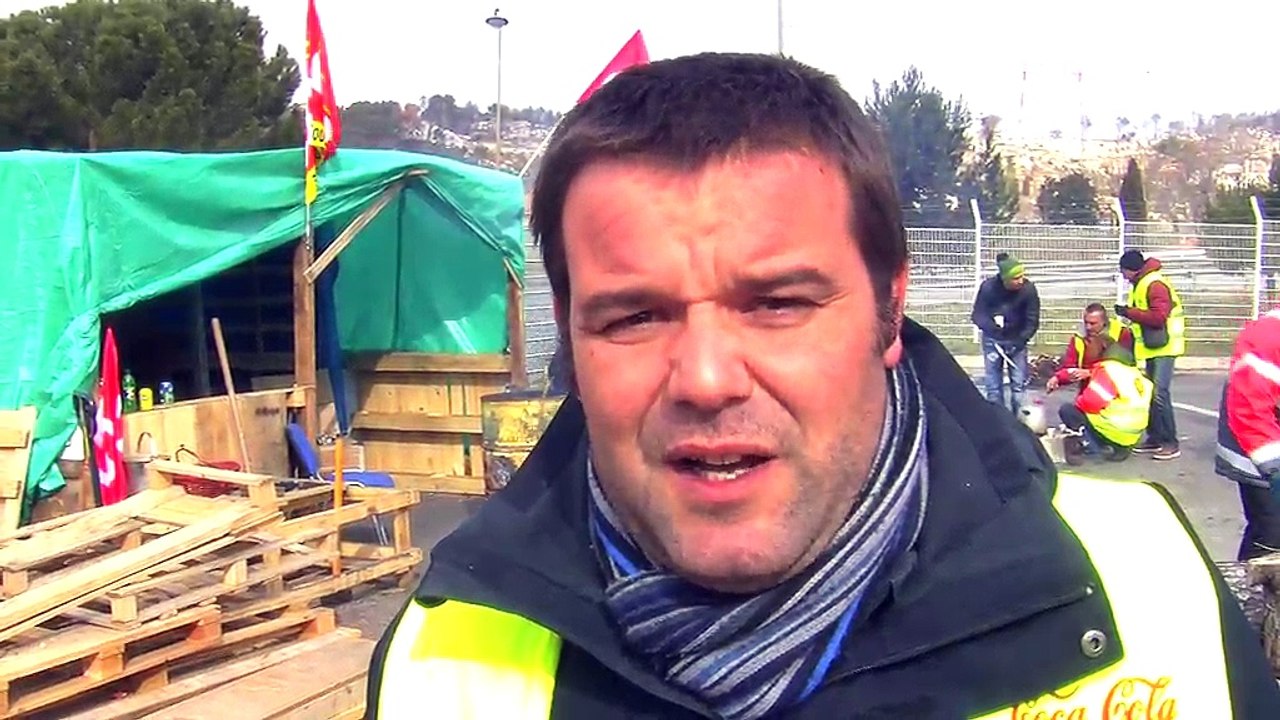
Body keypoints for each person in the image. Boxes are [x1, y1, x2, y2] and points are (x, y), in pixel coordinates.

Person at [365, 53, 1279, 719]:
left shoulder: (1147, 584)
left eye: (777, 303)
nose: (708, 379)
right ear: (569, 333)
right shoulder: (440, 656)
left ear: (889, 309)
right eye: (634, 317)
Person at [1215, 308, 1280, 561]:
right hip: (1256, 452)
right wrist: (1275, 468)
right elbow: (1248, 407)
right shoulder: (1268, 335)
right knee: (1271, 533)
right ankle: (1245, 590)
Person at [1115, 249, 1185, 460]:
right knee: (1151, 392)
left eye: (1123, 271)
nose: (1123, 276)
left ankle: (1170, 442)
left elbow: (1158, 317)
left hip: (1166, 346)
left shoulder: (1154, 284)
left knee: (1160, 394)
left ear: (1130, 270)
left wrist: (1129, 312)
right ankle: (1155, 438)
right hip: (1154, 346)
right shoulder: (1143, 282)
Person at [1054, 342, 1152, 464]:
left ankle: (1092, 446)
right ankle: (1121, 448)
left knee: (1068, 410)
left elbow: (1090, 403)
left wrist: (1080, 401)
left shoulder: (1109, 371)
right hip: (1132, 434)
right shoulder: (1139, 377)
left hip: (1114, 430)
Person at [971, 252, 1040, 415]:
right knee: (993, 385)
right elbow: (977, 315)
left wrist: (1020, 340)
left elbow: (1032, 319)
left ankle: (1020, 421)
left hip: (1017, 340)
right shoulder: (988, 288)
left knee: (1019, 385)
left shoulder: (1028, 290)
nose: (1020, 281)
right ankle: (998, 420)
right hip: (993, 340)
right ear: (1004, 279)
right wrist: (993, 328)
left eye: (1022, 276)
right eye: (1015, 278)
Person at [1046, 302, 1133, 394]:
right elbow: (1070, 367)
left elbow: (1123, 370)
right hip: (1088, 391)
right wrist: (1058, 378)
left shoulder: (1121, 334)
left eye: (1093, 323)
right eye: (1086, 322)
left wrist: (1090, 373)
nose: (1088, 327)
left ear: (1104, 322)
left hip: (1117, 392)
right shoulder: (1078, 338)